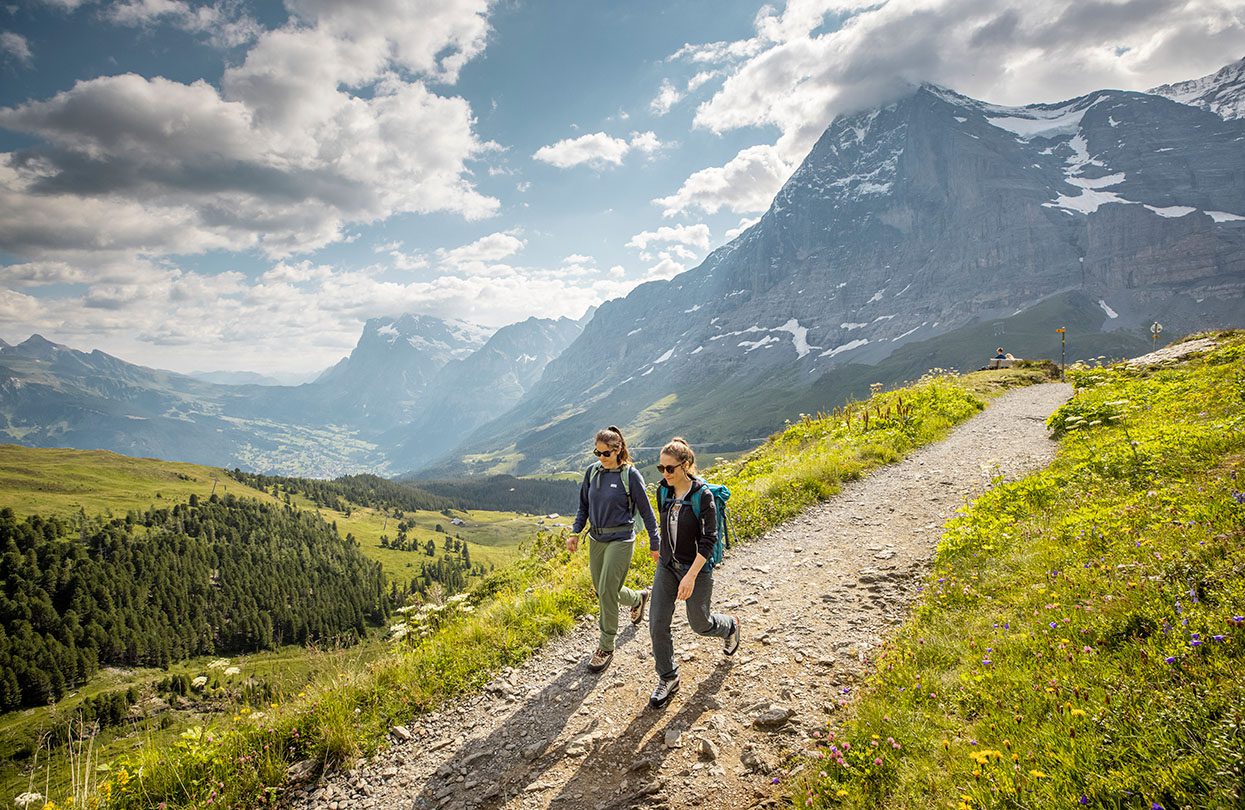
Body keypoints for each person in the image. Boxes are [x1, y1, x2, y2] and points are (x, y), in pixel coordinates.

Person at [647, 437, 740, 710]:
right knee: (657, 625)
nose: (664, 475)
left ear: (685, 465)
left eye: (670, 469)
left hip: (695, 569)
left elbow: (709, 541)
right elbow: (667, 528)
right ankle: (668, 676)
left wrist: (689, 576)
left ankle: (730, 626)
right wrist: (661, 551)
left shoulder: (703, 496)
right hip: (667, 567)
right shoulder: (663, 491)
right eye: (660, 468)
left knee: (700, 624)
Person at [568, 426, 659, 673]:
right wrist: (575, 532)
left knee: (607, 590)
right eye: (596, 452)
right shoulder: (592, 472)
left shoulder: (630, 475)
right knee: (602, 590)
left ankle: (606, 646)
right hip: (596, 539)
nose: (600, 457)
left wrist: (655, 541)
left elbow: (648, 512)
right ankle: (637, 598)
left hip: (621, 539)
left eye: (605, 453)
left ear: (618, 450)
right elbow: (583, 507)